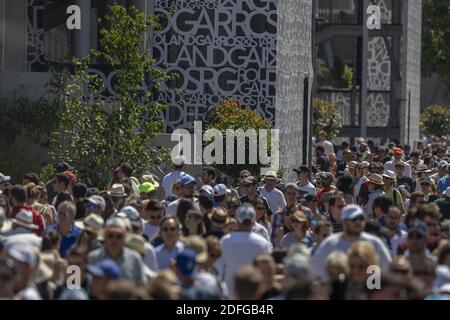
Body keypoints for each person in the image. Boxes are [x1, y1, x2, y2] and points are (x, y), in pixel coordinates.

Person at [313, 204, 392, 280]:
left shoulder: (375, 243)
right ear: (344, 222)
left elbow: (388, 270)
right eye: (354, 219)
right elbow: (318, 274)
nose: (358, 222)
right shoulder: (330, 244)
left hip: (370, 290)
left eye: (361, 218)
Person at [216, 205, 272, 297]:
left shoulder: (225, 241)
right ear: (253, 221)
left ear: (237, 221)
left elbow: (218, 270)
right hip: (255, 294)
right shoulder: (263, 243)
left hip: (230, 294)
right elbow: (267, 271)